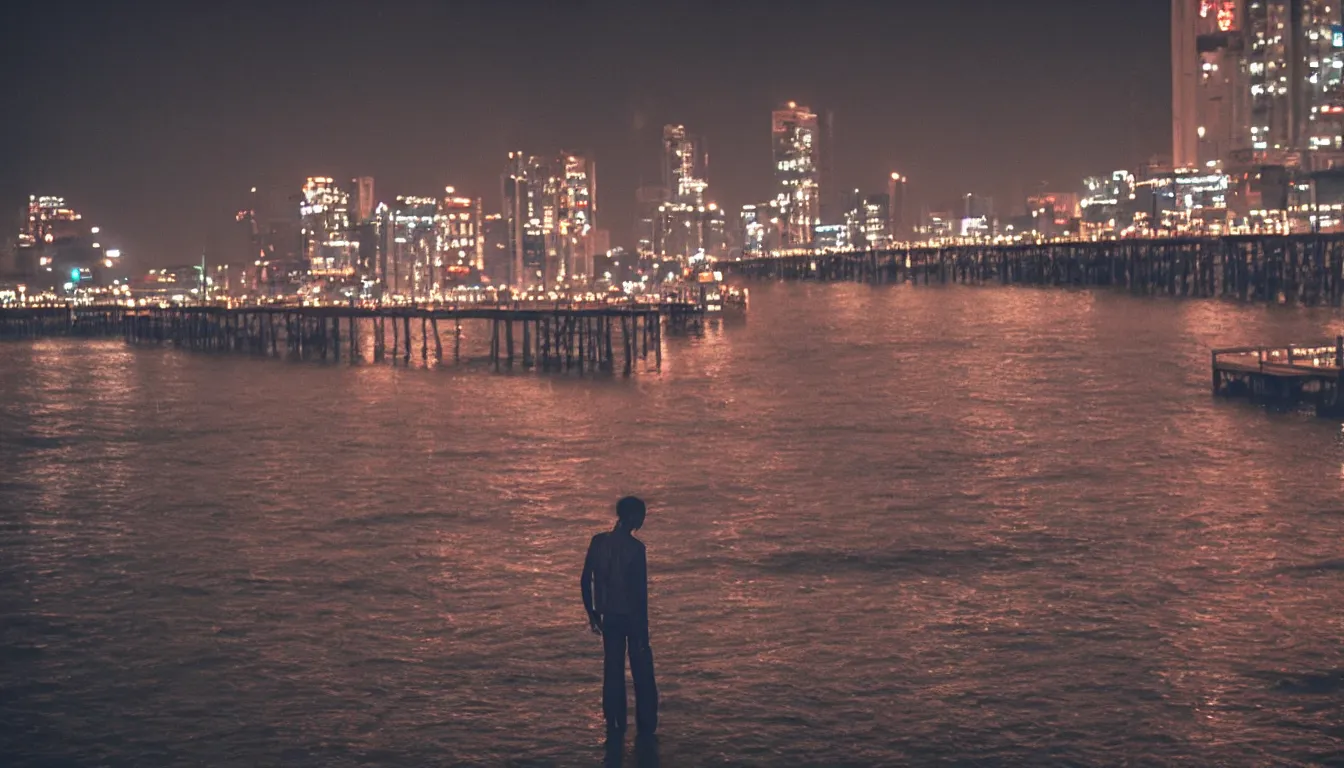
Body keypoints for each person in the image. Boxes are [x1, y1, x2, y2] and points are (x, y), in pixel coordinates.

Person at [581, 496, 658, 736]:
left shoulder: (598, 542)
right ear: (634, 517)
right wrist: (643, 632)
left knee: (612, 670)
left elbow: (585, 580)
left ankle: (614, 722)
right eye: (642, 515)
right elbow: (639, 594)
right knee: (641, 673)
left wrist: (592, 613)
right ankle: (646, 727)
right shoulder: (636, 549)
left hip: (609, 617)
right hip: (632, 618)